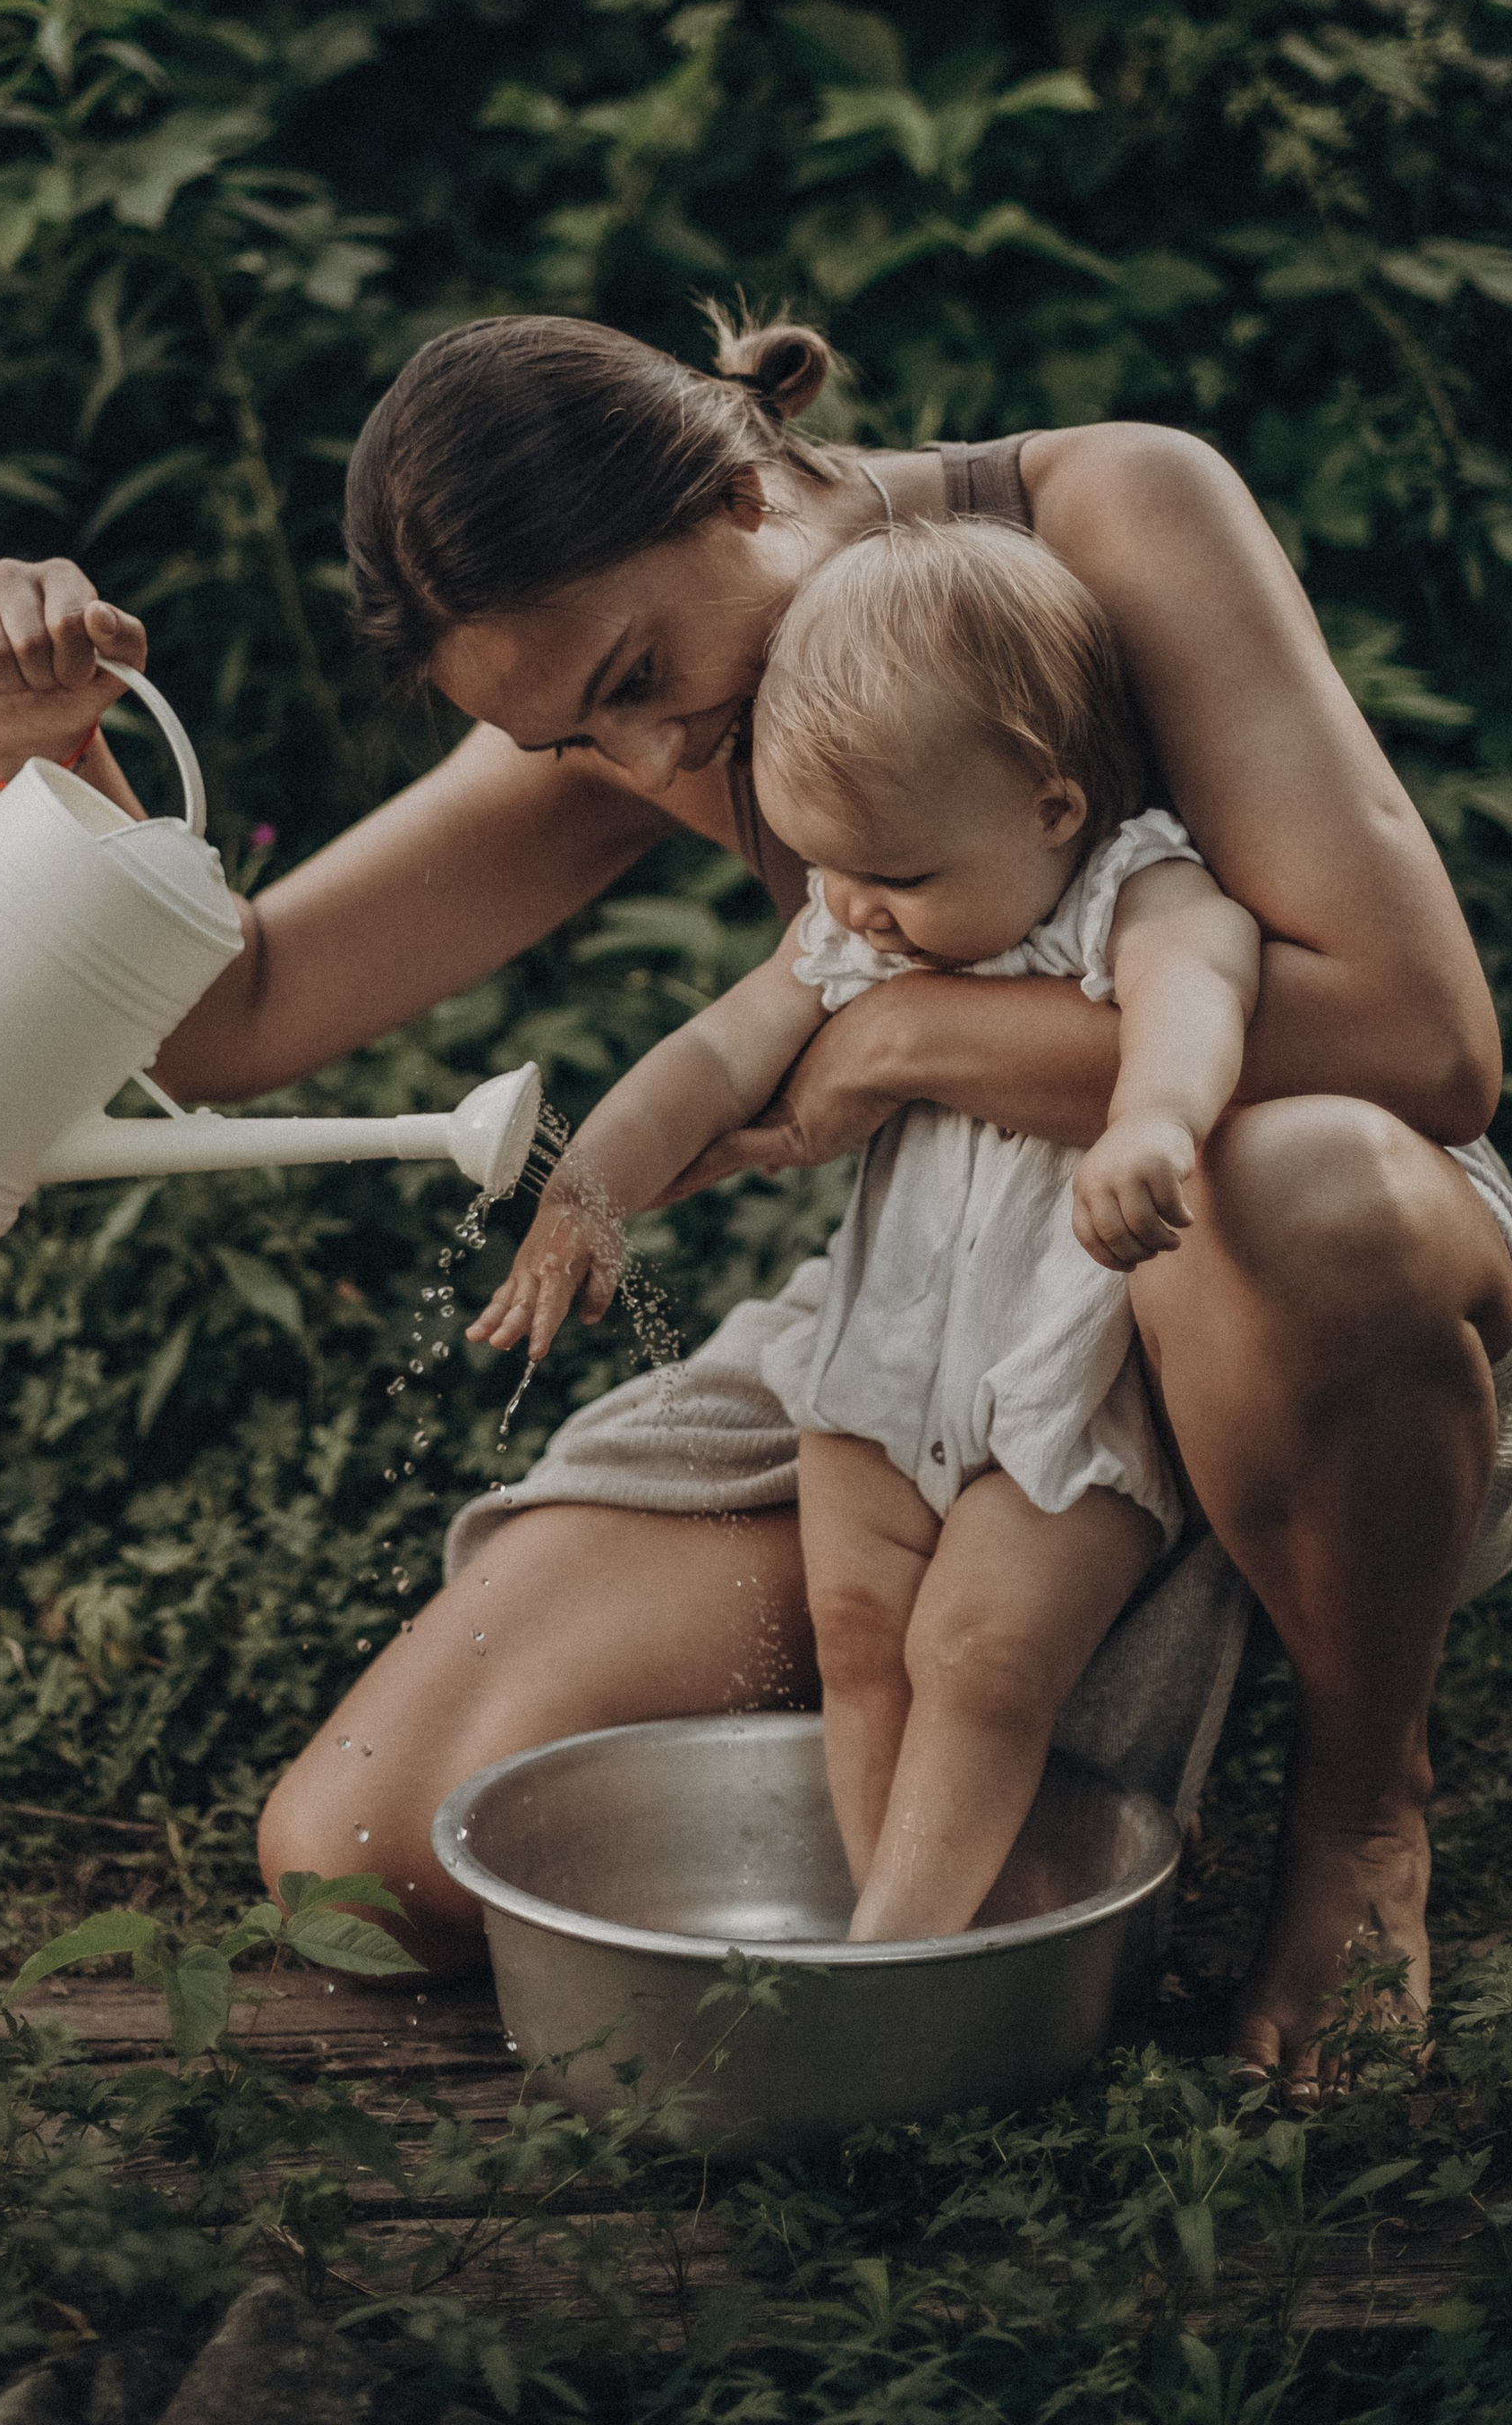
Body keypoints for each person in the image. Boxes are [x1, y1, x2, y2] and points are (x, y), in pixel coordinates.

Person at [0, 311, 1512, 2085]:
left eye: (640, 681)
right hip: (940, 1294)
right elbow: (237, 1018)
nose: (653, 766)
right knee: (364, 1859)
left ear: (740, 487)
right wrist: (38, 749)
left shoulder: (1113, 510)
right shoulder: (619, 709)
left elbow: (1418, 1045)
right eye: (579, 739)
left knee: (1301, 1185)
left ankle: (1358, 1808)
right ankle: (966, 1727)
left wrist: (901, 1041)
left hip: (1255, 1247)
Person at [470, 517, 1261, 1943]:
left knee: (980, 1657)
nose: (853, 914)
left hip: (1063, 1390)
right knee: (861, 1643)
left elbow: (1198, 990)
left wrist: (1152, 1122)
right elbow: (711, 1061)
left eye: (893, 876)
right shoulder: (854, 921)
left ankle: (904, 1952)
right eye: (826, 869)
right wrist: (581, 1190)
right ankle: (888, 1924)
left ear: (1051, 808)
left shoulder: (1128, 890)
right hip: (877, 1375)